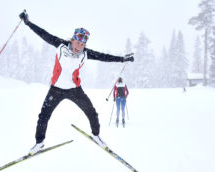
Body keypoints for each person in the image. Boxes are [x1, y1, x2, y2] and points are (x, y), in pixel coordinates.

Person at [19, 11, 134, 155]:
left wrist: (123, 59)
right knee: (43, 116)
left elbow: (105, 57)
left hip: (75, 90)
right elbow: (43, 34)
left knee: (91, 112)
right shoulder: (60, 45)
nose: (79, 46)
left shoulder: (86, 53)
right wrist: (28, 22)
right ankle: (39, 142)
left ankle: (96, 135)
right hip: (55, 89)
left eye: (82, 44)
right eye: (77, 42)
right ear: (72, 39)